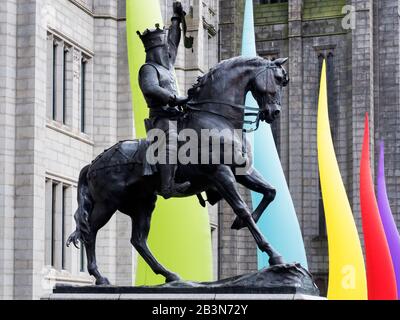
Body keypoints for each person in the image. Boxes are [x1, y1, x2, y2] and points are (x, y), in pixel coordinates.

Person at [137, 2, 191, 199]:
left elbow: (174, 42)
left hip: (177, 115)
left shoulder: (166, 65)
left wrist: (176, 18)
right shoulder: (148, 68)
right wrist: (175, 98)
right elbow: (151, 88)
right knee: (171, 140)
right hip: (161, 119)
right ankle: (167, 186)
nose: (168, 52)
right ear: (154, 50)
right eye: (163, 49)